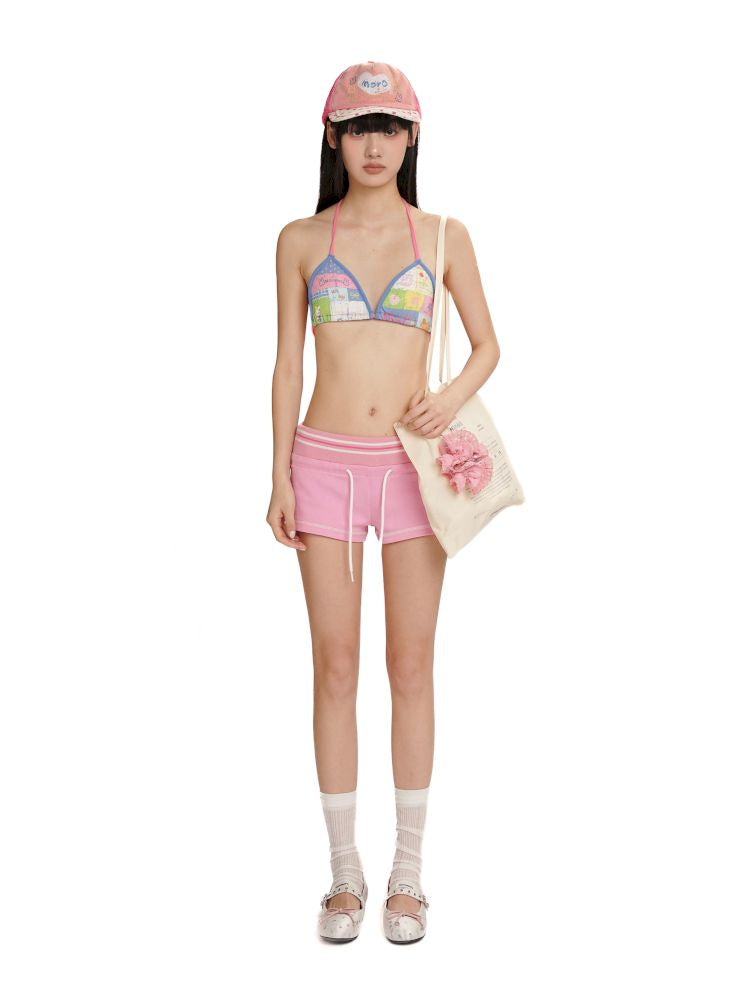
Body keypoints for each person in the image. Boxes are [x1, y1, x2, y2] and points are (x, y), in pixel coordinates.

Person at [267, 62, 501, 943]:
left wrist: (448, 399)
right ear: (333, 137)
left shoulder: (442, 236)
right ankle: (343, 874)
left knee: (411, 665)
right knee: (334, 666)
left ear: (412, 138)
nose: (375, 145)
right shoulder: (299, 239)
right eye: (360, 128)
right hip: (323, 463)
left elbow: (487, 344)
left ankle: (408, 875)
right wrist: (278, 473)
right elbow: (287, 363)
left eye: (390, 128)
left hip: (410, 468)